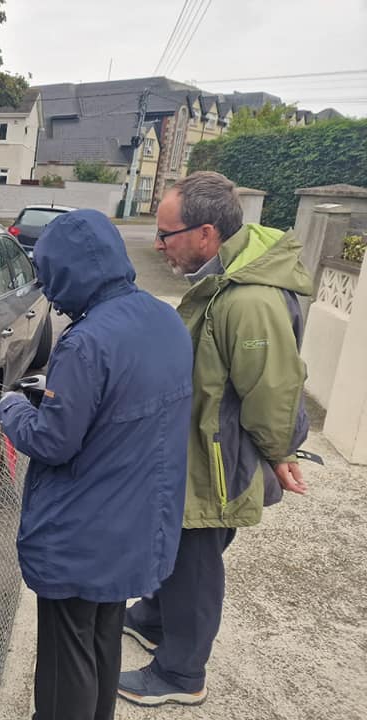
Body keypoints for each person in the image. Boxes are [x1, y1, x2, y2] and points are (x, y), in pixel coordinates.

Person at [118, 171, 312, 706]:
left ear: (206, 234)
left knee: (195, 562)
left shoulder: (248, 300)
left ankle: (181, 674)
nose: (159, 245)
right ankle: (154, 618)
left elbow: (273, 387)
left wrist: (279, 452)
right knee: (177, 545)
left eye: (166, 234)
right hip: (201, 446)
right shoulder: (227, 280)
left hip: (218, 459)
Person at [0, 209, 193, 720]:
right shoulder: (165, 318)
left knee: (67, 655)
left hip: (83, 532)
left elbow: (52, 441)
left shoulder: (86, 341)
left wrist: (11, 407)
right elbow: (120, 401)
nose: (48, 288)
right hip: (136, 522)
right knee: (102, 634)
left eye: (49, 274)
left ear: (70, 271)